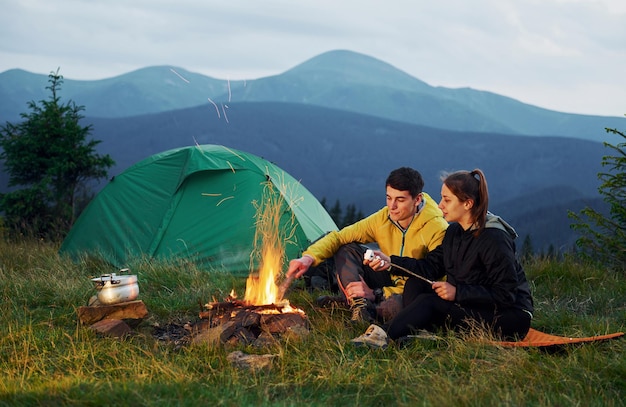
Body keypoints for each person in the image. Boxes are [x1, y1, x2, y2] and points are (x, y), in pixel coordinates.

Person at [352, 169, 533, 348]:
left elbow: (506, 294)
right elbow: (430, 267)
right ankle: (422, 332)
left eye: (446, 200)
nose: (439, 206)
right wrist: (391, 263)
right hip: (473, 304)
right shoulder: (454, 232)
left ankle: (381, 336)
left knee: (429, 302)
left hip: (509, 318)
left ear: (468, 204)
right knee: (415, 284)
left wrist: (458, 292)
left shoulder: (494, 239)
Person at [286, 167, 448, 323]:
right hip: (387, 276)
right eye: (389, 198)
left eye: (400, 200)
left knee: (394, 309)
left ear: (417, 199)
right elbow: (339, 237)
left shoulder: (436, 228)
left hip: (413, 290)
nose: (392, 206)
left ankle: (360, 306)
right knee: (347, 248)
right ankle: (359, 305)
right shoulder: (383, 218)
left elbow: (432, 277)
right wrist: (308, 258)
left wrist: (377, 293)